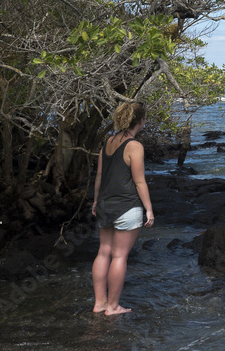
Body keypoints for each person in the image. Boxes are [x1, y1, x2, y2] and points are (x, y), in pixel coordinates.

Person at [91, 101, 155, 314]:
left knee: (103, 253)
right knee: (119, 256)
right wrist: (149, 209)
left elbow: (100, 175)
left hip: (105, 205)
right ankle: (113, 306)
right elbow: (139, 182)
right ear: (141, 121)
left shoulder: (108, 141)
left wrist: (95, 200)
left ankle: (99, 304)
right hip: (127, 206)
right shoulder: (134, 146)